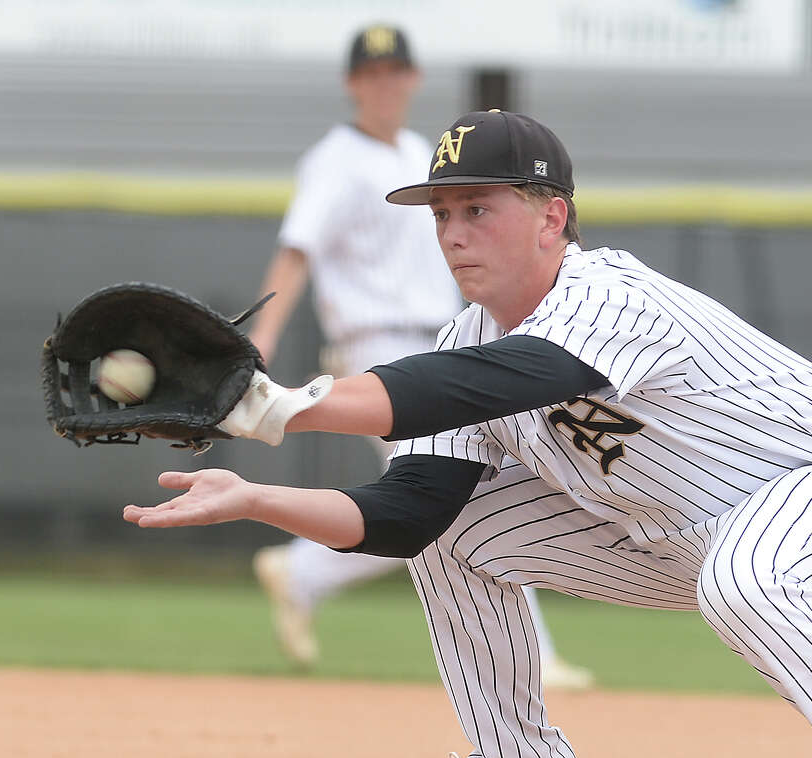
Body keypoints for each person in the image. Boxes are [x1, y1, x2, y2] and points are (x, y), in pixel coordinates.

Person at [123, 110, 812, 758]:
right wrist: (255, 496)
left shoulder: (609, 296)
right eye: (440, 212)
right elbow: (406, 513)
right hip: (668, 535)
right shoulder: (464, 337)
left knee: (752, 581)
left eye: (477, 207)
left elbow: (501, 378)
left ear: (552, 216)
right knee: (455, 529)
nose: (452, 232)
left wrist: (278, 407)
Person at [243, 26, 594, 690]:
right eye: (373, 73)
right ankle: (536, 659)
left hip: (447, 339)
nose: (386, 83)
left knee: (451, 501)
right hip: (377, 343)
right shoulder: (335, 160)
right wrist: (263, 337)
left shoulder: (418, 153)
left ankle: (304, 570)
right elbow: (298, 250)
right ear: (353, 84)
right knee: (457, 499)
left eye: (396, 71)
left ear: (414, 79)